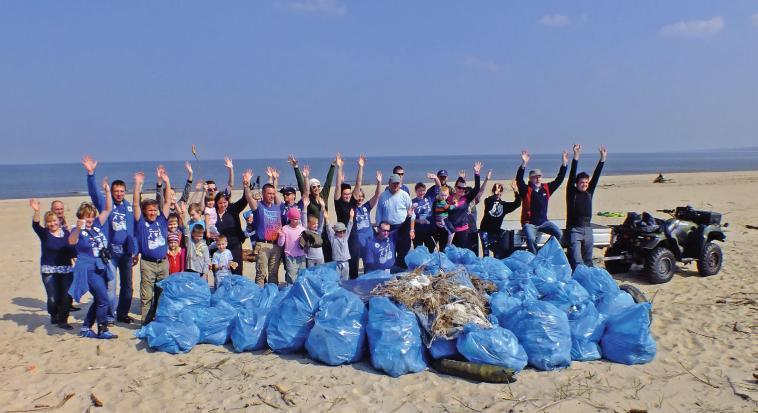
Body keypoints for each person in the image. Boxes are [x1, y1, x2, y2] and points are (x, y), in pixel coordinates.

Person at [82, 155, 135, 324]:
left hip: (127, 253)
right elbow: (93, 193)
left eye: (121, 191)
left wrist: (136, 250)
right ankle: (110, 316)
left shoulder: (130, 207)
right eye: (116, 191)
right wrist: (91, 174)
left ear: (125, 192)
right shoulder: (107, 205)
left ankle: (122, 314)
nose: (119, 194)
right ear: (111, 192)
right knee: (111, 287)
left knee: (127, 287)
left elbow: (134, 230)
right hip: (110, 253)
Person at [68, 179, 117, 339]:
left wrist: (107, 191)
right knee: (103, 299)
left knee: (98, 300)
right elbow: (72, 241)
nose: (89, 219)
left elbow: (108, 209)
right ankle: (102, 330)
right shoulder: (77, 230)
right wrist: (78, 228)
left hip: (100, 267)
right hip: (88, 269)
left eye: (91, 216)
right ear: (80, 217)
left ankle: (85, 328)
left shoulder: (96, 224)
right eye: (86, 217)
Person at [132, 169, 171, 325]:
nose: (153, 212)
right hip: (147, 263)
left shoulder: (162, 220)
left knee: (162, 294)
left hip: (163, 263)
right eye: (150, 210)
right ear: (145, 212)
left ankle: (160, 321)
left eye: (155, 209)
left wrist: (167, 182)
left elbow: (167, 202)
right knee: (147, 295)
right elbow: (135, 203)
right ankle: (146, 323)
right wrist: (138, 184)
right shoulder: (141, 223)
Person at [30, 199, 76, 329]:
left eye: (54, 221)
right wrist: (37, 211)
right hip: (49, 270)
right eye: (49, 222)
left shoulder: (66, 233)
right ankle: (53, 314)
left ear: (59, 221)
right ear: (46, 223)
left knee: (66, 297)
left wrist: (76, 259)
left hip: (66, 270)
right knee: (52, 299)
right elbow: (35, 225)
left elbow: (72, 249)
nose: (52, 224)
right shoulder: (45, 234)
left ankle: (63, 320)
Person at [516, 150, 568, 254]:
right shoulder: (526, 189)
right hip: (529, 224)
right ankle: (535, 257)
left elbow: (559, 179)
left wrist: (564, 164)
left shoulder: (547, 188)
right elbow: (519, 180)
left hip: (544, 223)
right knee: (530, 239)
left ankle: (545, 251)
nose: (538, 179)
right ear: (530, 179)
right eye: (535, 177)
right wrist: (523, 164)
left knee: (559, 234)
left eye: (539, 176)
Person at [566, 144, 607, 269]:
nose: (584, 184)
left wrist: (602, 159)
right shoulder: (571, 192)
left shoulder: (589, 192)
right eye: (582, 182)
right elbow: (572, 174)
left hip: (588, 229)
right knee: (577, 260)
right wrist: (576, 156)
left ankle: (587, 280)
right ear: (576, 183)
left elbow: (596, 176)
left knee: (588, 260)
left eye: (586, 182)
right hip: (575, 229)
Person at [243, 169, 283, 286]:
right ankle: (259, 299)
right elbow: (249, 198)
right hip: (262, 245)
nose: (271, 195)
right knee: (261, 274)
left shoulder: (277, 206)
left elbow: (273, 190)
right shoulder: (258, 207)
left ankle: (272, 298)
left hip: (276, 245)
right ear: (263, 194)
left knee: (274, 274)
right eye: (268, 193)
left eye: (272, 194)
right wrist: (246, 186)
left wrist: (275, 179)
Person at [208, 158, 247, 275]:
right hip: (218, 248)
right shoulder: (211, 212)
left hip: (235, 246)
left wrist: (231, 169)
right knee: (220, 274)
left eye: (225, 202)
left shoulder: (233, 209)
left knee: (236, 272)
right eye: (220, 203)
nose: (223, 205)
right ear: (216, 203)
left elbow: (242, 197)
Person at [374, 173, 412, 268]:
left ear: (400, 184)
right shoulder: (383, 196)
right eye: (393, 183)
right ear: (389, 183)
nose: (395, 185)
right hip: (388, 228)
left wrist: (412, 229)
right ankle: (389, 271)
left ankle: (402, 271)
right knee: (389, 252)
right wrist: (379, 227)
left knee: (404, 251)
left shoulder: (405, 195)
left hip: (403, 227)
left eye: (397, 183)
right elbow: (378, 213)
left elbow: (412, 213)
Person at [442, 162, 482, 249]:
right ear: (455, 187)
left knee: (462, 257)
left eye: (463, 188)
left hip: (463, 232)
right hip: (450, 232)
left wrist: (477, 173)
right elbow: (444, 213)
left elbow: (477, 188)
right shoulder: (448, 198)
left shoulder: (466, 198)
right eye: (459, 188)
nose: (461, 190)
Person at [479, 181, 521, 258]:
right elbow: (490, 202)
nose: (498, 191)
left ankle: (495, 268)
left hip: (495, 232)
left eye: (500, 190)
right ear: (493, 191)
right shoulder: (488, 200)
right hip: (484, 231)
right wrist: (495, 193)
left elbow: (517, 203)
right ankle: (485, 268)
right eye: (496, 189)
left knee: (497, 253)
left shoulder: (504, 205)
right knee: (486, 252)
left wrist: (515, 190)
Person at [277, 205, 308, 284]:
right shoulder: (285, 228)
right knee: (291, 278)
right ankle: (291, 293)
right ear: (290, 218)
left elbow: (306, 244)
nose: (297, 221)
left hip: (302, 257)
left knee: (302, 277)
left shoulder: (302, 229)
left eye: (298, 219)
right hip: (290, 257)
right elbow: (280, 244)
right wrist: (281, 236)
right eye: (294, 219)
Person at [325, 209, 354, 279]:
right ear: (335, 231)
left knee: (345, 279)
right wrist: (326, 218)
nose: (342, 233)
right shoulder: (333, 237)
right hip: (336, 262)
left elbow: (349, 226)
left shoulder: (346, 236)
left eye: (343, 231)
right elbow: (328, 228)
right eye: (339, 231)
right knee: (336, 279)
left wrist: (351, 217)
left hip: (345, 262)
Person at [409, 182, 436, 252]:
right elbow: (410, 218)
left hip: (430, 231)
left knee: (431, 250)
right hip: (418, 232)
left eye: (423, 190)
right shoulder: (412, 202)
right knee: (419, 252)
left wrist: (435, 178)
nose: (421, 192)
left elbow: (438, 187)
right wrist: (418, 220)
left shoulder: (429, 198)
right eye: (419, 191)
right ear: (416, 191)